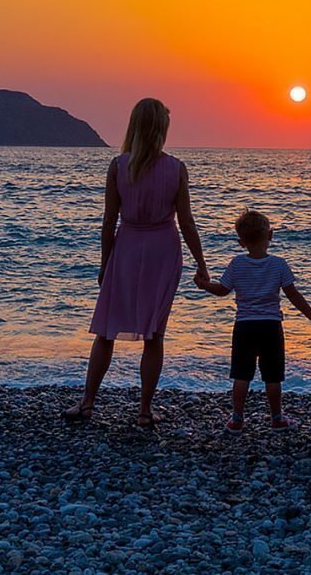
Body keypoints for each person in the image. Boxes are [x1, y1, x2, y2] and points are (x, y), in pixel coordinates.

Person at [63, 98, 209, 426]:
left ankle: (88, 403)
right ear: (161, 129)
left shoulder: (119, 166)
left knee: (105, 330)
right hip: (162, 250)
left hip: (127, 248)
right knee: (155, 334)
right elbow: (186, 222)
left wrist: (105, 263)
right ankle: (144, 410)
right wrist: (202, 263)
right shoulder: (176, 168)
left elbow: (108, 220)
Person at [194, 210, 311, 434]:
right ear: (271, 236)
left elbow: (222, 290)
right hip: (271, 325)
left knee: (241, 373)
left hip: (245, 325)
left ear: (241, 242)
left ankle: (237, 418)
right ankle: (276, 418)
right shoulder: (278, 265)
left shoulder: (237, 264)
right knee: (273, 375)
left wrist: (204, 284)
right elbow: (293, 295)